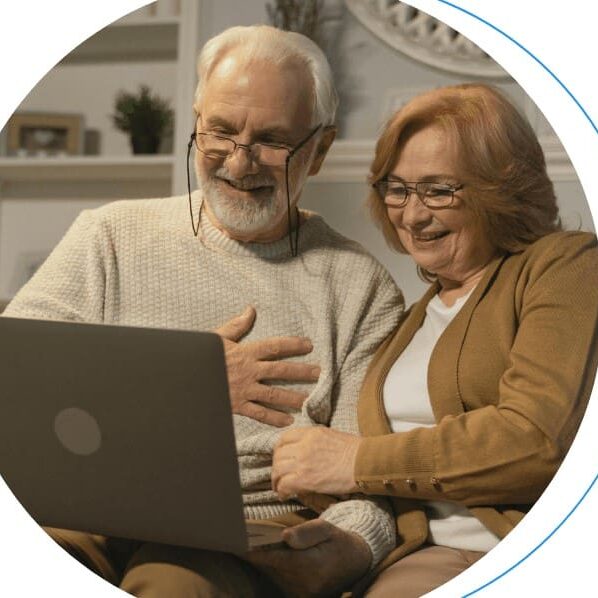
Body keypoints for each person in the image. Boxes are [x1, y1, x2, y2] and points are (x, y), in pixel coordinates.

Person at [4, 26, 403, 597]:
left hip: (246, 529)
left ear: (319, 151)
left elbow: (370, 478)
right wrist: (182, 384)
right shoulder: (108, 235)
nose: (240, 164)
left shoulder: (359, 286)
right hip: (83, 505)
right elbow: (15, 380)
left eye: (271, 140)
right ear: (195, 122)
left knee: (172, 585)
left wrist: (350, 548)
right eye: (220, 132)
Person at [272, 83, 598, 596]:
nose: (412, 214)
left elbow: (535, 439)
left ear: (501, 189)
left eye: (439, 190)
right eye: (397, 188)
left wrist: (354, 461)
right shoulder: (414, 315)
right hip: (410, 552)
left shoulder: (564, 264)